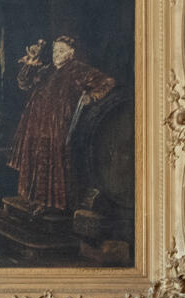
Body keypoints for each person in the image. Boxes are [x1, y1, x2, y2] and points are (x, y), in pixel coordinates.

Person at [7, 35, 115, 216]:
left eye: (61, 50)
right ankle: (34, 200)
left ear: (71, 53)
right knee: (35, 159)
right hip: (35, 124)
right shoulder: (46, 70)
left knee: (52, 162)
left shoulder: (78, 70)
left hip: (58, 126)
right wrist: (30, 63)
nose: (57, 54)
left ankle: (51, 204)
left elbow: (107, 82)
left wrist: (91, 97)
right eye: (55, 50)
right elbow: (23, 83)